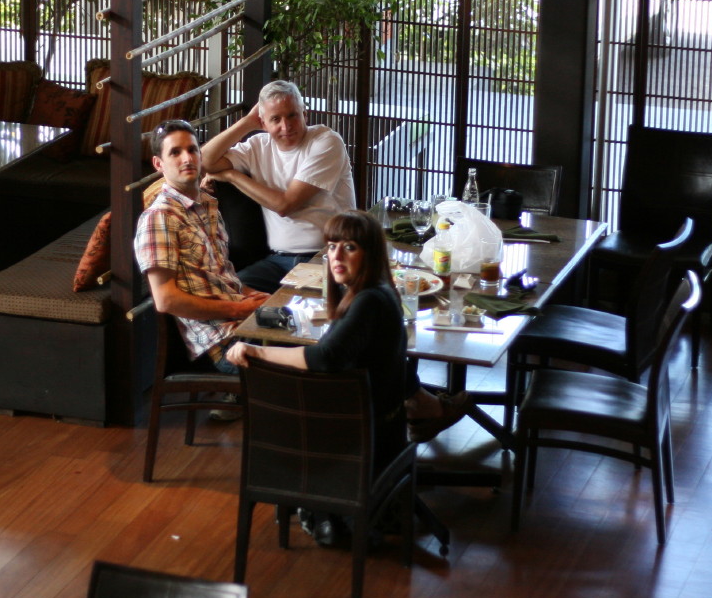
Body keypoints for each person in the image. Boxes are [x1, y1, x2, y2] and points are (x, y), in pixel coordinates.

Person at [226, 211, 470, 545]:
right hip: (378, 422)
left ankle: (312, 502)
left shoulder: (369, 300)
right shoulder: (374, 291)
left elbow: (324, 358)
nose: (336, 256)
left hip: (362, 431)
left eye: (349, 247)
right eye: (332, 246)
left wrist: (256, 352)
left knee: (275, 397)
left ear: (370, 253)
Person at [134, 119, 270, 385]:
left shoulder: (207, 204)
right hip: (223, 344)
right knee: (318, 357)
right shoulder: (159, 217)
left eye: (192, 150)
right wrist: (239, 309)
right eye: (175, 152)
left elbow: (220, 276)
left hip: (241, 323)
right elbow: (165, 300)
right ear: (158, 164)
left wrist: (253, 296)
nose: (187, 158)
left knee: (324, 331)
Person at [201, 80, 357, 293]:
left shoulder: (326, 141)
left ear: (305, 114)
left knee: (302, 304)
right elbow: (204, 161)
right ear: (263, 123)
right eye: (275, 119)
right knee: (232, 291)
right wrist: (246, 123)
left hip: (328, 256)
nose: (286, 126)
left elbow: (285, 205)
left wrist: (231, 175)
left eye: (292, 115)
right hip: (278, 261)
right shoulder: (257, 146)